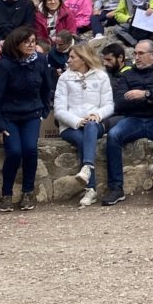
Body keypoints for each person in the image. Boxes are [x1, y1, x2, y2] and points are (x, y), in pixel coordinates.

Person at [102, 40, 153, 205]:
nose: (136, 57)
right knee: (113, 135)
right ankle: (116, 188)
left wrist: (145, 94)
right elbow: (120, 102)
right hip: (133, 119)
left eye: (140, 53)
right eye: (135, 53)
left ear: (152, 55)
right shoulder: (127, 75)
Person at [0, 26, 51, 212]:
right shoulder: (5, 65)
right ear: (17, 44)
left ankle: (28, 192)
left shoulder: (40, 60)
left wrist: (44, 110)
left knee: (30, 149)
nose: (31, 45)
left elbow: (46, 87)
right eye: (26, 42)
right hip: (9, 116)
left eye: (33, 41)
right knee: (14, 152)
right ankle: (6, 194)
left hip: (31, 113)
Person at [54, 42, 114, 207]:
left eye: (72, 57)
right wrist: (78, 121)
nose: (69, 60)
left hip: (94, 123)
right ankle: (91, 188)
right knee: (82, 140)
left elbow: (109, 105)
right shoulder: (64, 78)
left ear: (83, 58)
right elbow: (59, 110)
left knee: (90, 127)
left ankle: (87, 169)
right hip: (70, 126)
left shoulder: (101, 76)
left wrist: (97, 114)